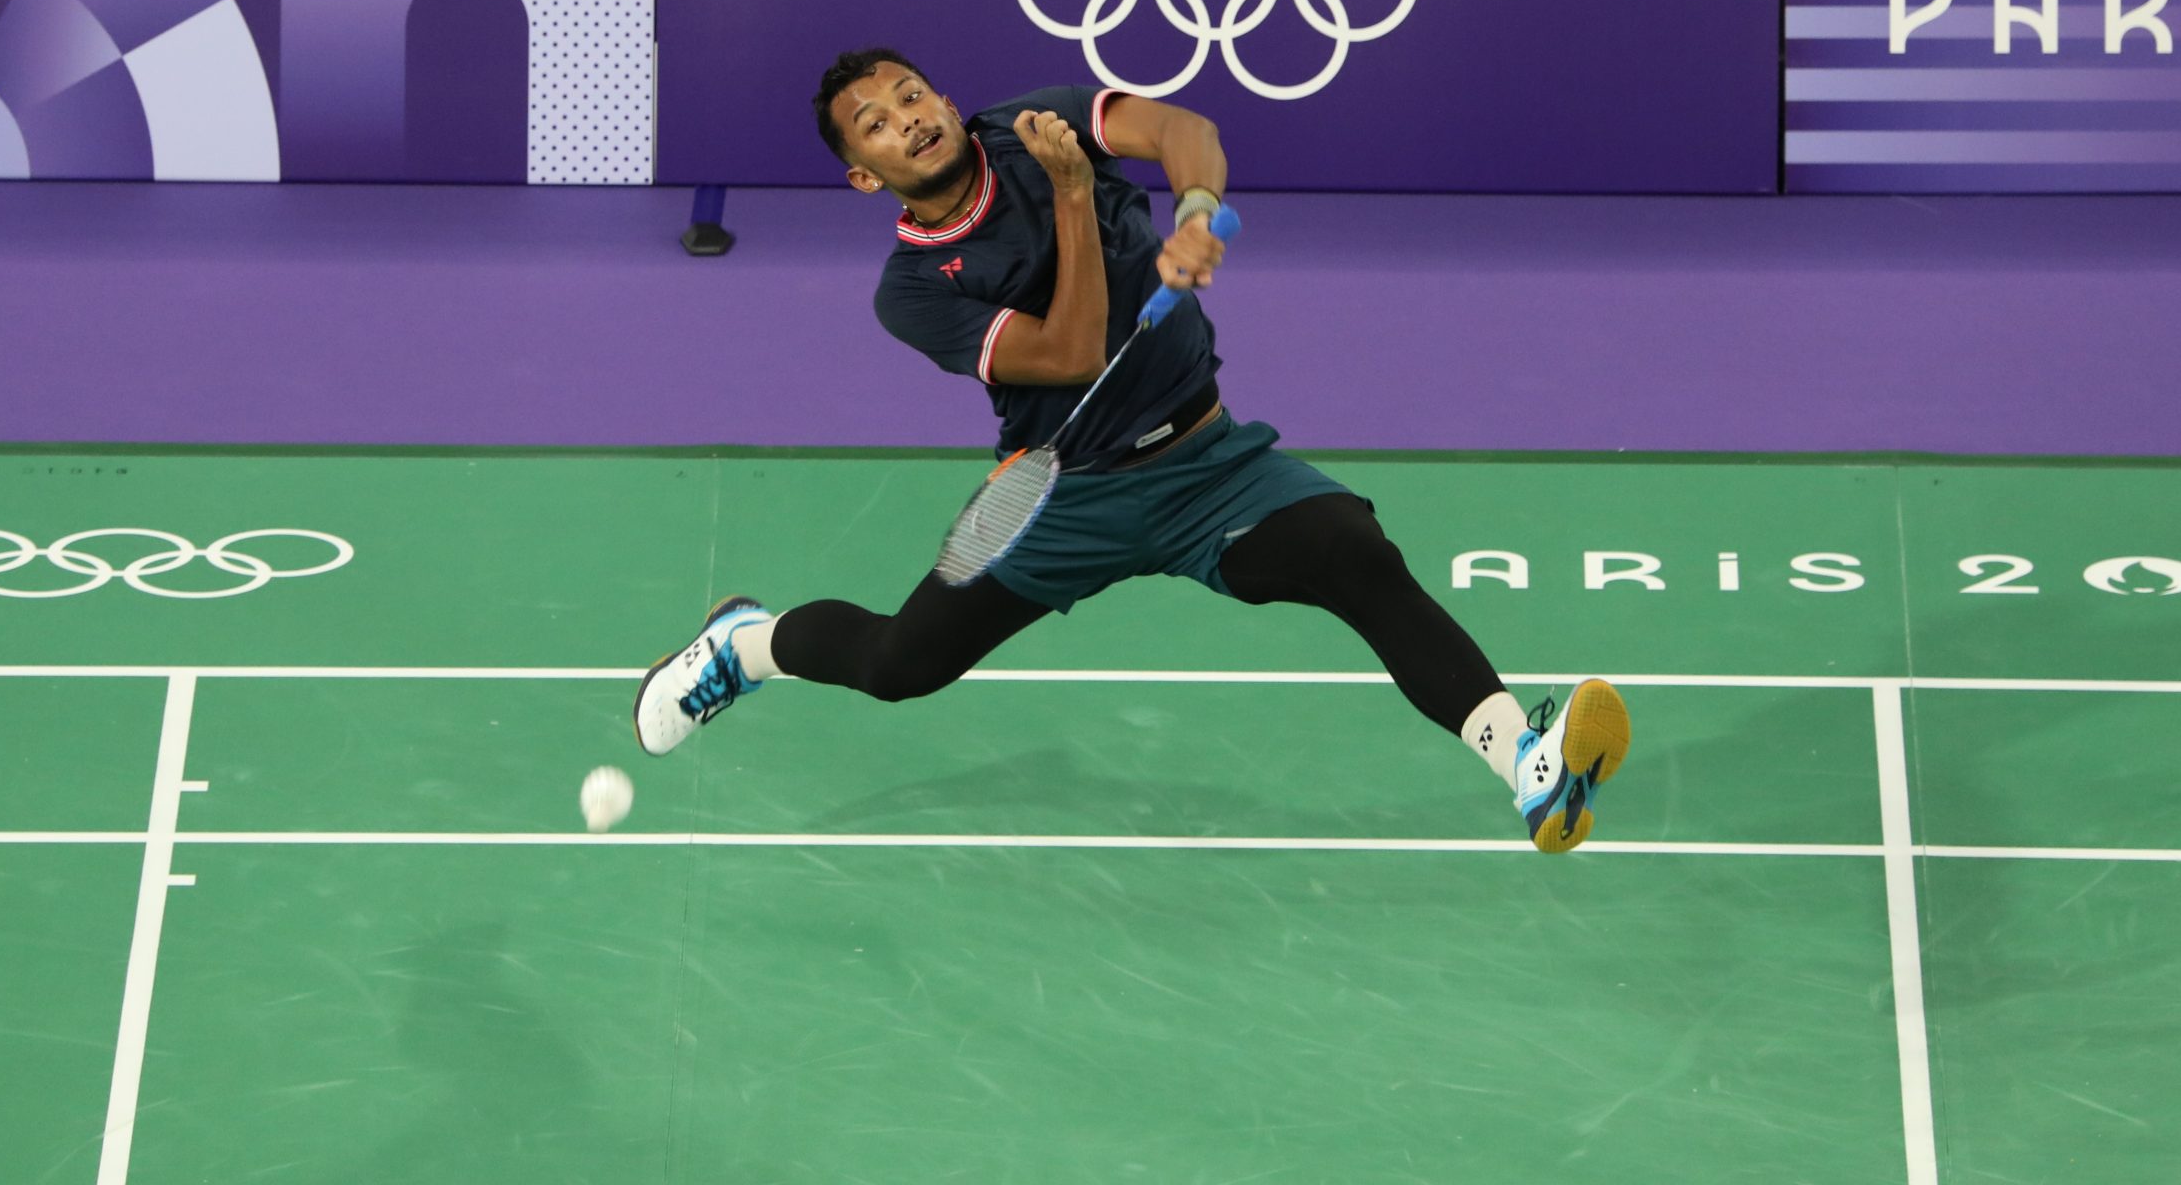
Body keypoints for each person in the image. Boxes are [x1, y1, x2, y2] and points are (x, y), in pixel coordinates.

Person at [633, 52, 1631, 855]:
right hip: (1063, 495)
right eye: (877, 123)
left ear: (945, 97)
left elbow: (1182, 130)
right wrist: (1074, 195)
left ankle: (1527, 764)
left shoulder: (1035, 122)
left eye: (912, 94)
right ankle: (744, 644)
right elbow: (1071, 352)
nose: (908, 118)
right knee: (899, 664)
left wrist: (1192, 210)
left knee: (1353, 554)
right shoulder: (913, 290)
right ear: (863, 174)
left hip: (1208, 465)